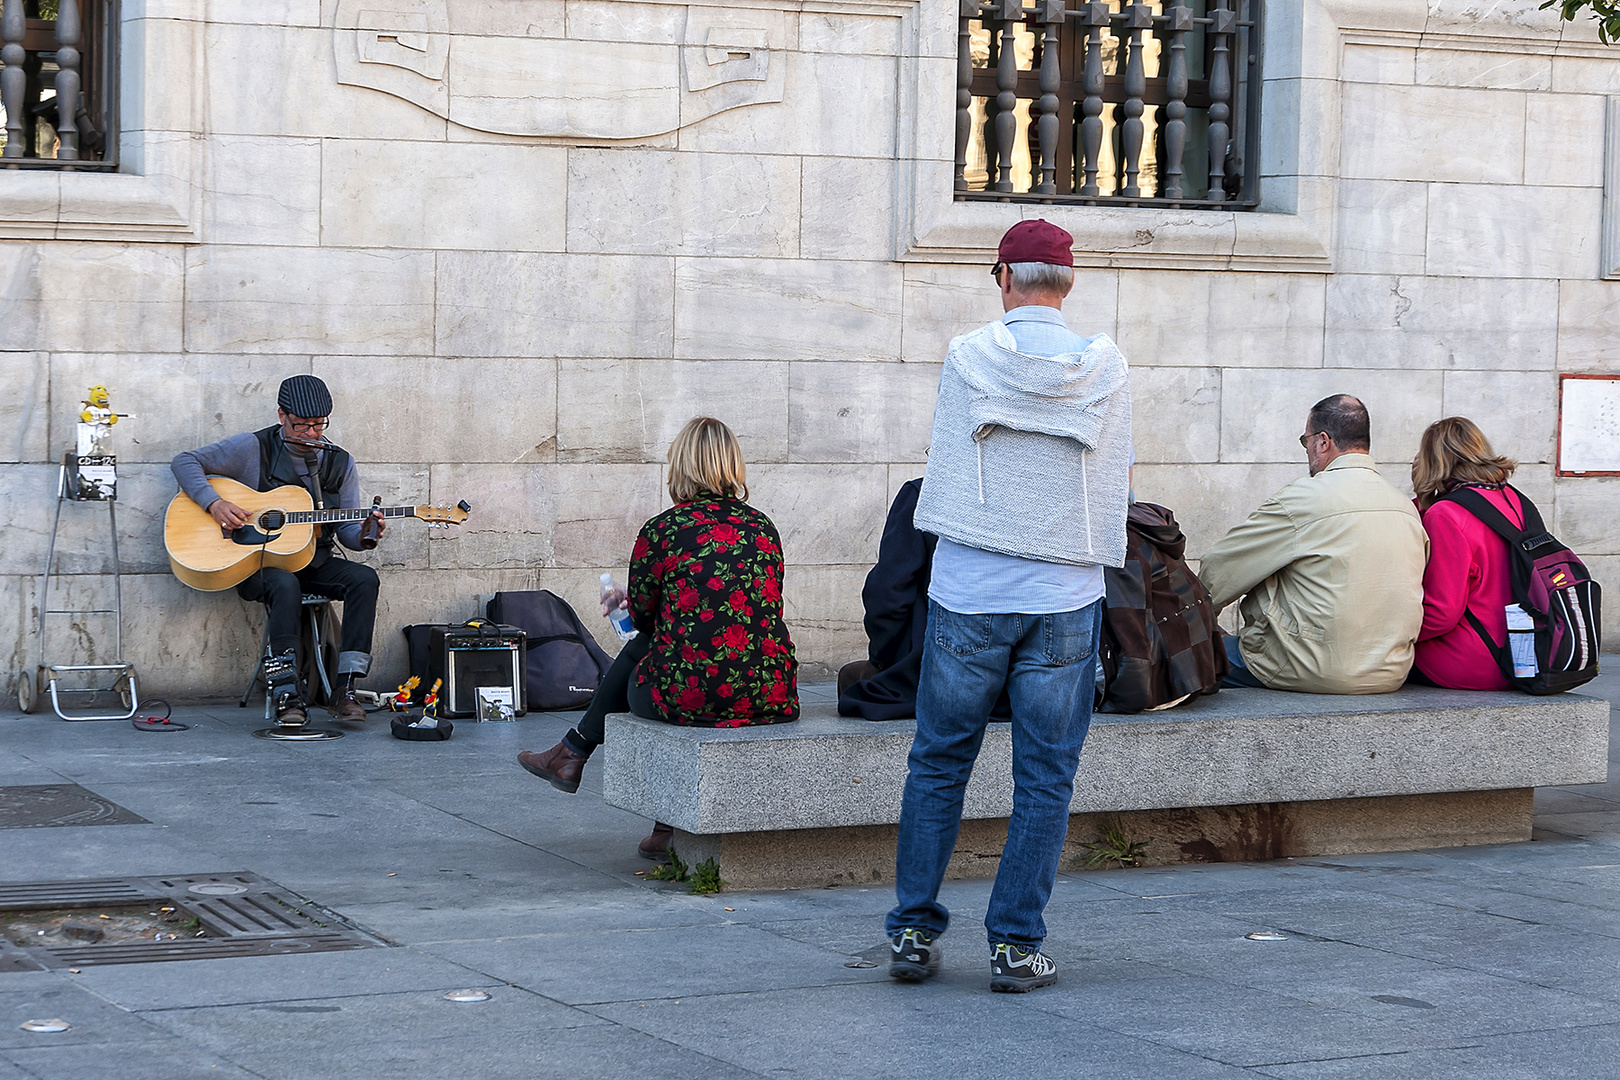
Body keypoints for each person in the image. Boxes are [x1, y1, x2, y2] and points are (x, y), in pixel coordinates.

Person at [886, 219, 1132, 994]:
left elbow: (947, 466)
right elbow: (1113, 476)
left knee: (937, 762)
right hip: (1062, 594)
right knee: (1046, 777)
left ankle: (914, 934)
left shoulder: (967, 357)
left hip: (971, 592)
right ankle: (1016, 946)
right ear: (1067, 283)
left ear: (1002, 276)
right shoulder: (1107, 368)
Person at [517, 417, 799, 859]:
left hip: (692, 695)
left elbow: (646, 624)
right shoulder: (764, 528)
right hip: (770, 691)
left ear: (680, 466)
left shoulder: (662, 529)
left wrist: (627, 606)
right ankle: (658, 822)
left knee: (647, 656)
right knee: (675, 651)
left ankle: (574, 752)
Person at [171, 375, 386, 724]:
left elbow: (347, 529)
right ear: (281, 415)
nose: (311, 434)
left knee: (364, 579)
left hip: (313, 559)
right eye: (301, 425)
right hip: (255, 564)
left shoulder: (340, 463)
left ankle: (345, 688)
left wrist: (364, 535)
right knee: (285, 583)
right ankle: (286, 691)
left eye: (318, 425)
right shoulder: (252, 448)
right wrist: (214, 504)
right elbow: (184, 461)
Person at [1198, 394, 1428, 695]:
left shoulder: (1304, 498)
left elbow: (1219, 567)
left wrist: (1198, 624)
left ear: (1322, 441)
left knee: (1186, 660)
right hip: (1390, 672)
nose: (1307, 450)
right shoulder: (1404, 506)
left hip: (1304, 668)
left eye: (1305, 441)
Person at [1409, 417, 1522, 690]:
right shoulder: (1513, 499)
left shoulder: (1445, 514)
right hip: (1519, 655)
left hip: (1471, 662)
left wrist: (1390, 636)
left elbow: (1441, 613)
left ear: (1433, 460)